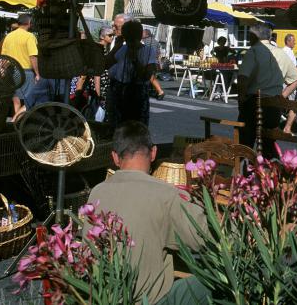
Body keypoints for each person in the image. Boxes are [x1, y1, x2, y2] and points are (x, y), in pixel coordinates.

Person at [87, 121, 207, 304]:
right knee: (216, 281)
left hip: (102, 297)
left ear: (115, 157)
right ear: (153, 153)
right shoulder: (167, 194)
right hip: (147, 301)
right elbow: (205, 238)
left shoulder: (96, 192)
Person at [237, 23, 296, 155]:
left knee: (245, 144)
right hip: (274, 106)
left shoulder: (253, 51)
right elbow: (296, 78)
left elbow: (242, 78)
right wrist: (282, 96)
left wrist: (241, 100)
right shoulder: (281, 53)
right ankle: (267, 166)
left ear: (254, 36)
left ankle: (245, 165)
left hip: (254, 104)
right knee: (268, 145)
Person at [109, 20, 158, 126]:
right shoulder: (122, 49)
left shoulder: (149, 50)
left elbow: (146, 76)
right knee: (120, 124)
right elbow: (107, 63)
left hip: (138, 91)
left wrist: (135, 59)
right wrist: (116, 47)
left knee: (137, 125)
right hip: (121, 89)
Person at [0, 14, 40, 117]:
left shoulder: (8, 36)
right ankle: (18, 121)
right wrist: (37, 73)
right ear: (29, 23)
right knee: (29, 101)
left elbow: (3, 57)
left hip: (11, 71)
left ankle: (16, 121)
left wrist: (4, 71)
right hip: (26, 72)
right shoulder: (29, 36)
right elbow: (33, 56)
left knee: (16, 99)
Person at [143, 28, 165, 100]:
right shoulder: (156, 41)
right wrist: (160, 64)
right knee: (151, 78)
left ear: (146, 34)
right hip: (155, 63)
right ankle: (153, 91)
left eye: (142, 33)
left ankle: (160, 91)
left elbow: (144, 52)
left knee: (151, 78)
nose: (141, 34)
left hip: (148, 62)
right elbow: (158, 53)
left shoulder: (145, 41)